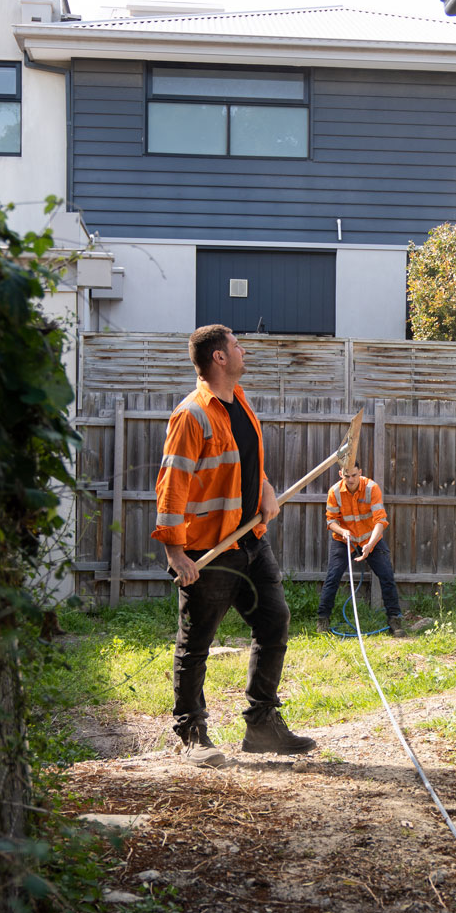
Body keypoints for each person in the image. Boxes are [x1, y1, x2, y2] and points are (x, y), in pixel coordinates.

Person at [152, 324, 316, 762]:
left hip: (251, 541)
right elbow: (173, 483)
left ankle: (262, 725)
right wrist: (174, 550)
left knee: (274, 622)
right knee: (197, 642)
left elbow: (244, 463)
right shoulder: (192, 414)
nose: (244, 351)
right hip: (211, 551)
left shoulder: (239, 402)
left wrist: (263, 486)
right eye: (238, 345)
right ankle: (191, 732)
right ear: (219, 358)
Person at [316, 461, 408, 637]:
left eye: (354, 475)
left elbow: (381, 521)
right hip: (344, 540)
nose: (350, 480)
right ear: (340, 474)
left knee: (387, 576)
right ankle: (323, 620)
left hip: (369, 538)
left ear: (360, 472)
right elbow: (331, 521)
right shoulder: (334, 492)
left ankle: (395, 621)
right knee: (332, 578)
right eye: (346, 476)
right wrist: (344, 532)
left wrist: (370, 545)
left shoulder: (371, 488)